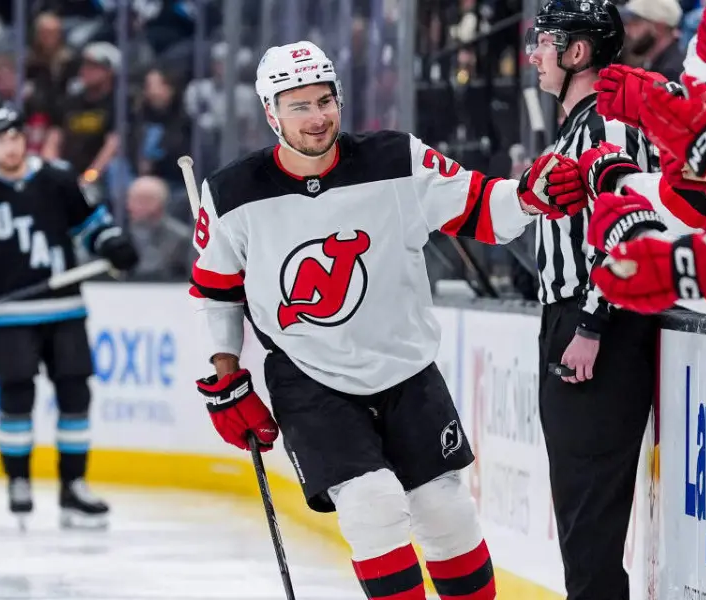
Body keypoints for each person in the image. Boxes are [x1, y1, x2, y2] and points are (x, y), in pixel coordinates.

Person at [188, 41, 585, 600]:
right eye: (299, 105)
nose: (317, 116)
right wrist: (227, 376)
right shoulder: (231, 193)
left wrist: (528, 196)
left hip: (406, 367)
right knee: (372, 505)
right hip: (310, 376)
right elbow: (216, 291)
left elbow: (479, 205)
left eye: (325, 100)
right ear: (270, 112)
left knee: (446, 512)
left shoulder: (396, 159)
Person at [0, 104, 140, 528]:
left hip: (64, 309)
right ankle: (18, 480)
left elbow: (91, 225)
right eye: (1, 139)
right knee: (17, 396)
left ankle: (73, 488)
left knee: (76, 395)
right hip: (7, 315)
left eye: (16, 136)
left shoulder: (57, 179)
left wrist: (113, 245)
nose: (11, 145)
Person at [523, 2, 660, 598]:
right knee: (581, 519)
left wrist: (592, 325)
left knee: (589, 522)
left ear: (578, 52)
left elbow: (632, 227)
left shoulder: (608, 122)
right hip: (573, 319)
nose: (533, 55)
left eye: (545, 43)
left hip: (596, 324)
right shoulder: (578, 124)